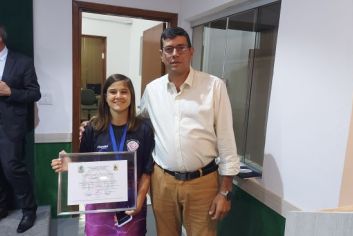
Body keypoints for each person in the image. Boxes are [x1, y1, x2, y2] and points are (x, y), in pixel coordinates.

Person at [139, 27, 240, 236]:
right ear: (162, 55)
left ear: (191, 51)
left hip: (203, 182)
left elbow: (226, 140)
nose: (175, 54)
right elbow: (137, 123)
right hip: (162, 182)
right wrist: (97, 123)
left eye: (180, 47)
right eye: (169, 49)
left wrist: (225, 192)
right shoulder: (152, 90)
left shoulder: (214, 86)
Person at [52, 74, 155, 236]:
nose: (118, 96)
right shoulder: (92, 129)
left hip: (132, 202)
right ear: (105, 97)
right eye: (113, 92)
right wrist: (70, 166)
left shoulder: (144, 129)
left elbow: (147, 171)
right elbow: (85, 167)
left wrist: (139, 200)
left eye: (124, 92)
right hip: (99, 203)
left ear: (131, 96)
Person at [0, 24, 40, 233]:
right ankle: (1, 207)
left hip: (11, 126)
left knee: (12, 167)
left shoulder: (22, 61)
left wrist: (10, 91)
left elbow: (35, 94)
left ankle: (29, 210)